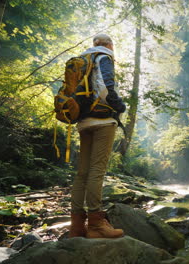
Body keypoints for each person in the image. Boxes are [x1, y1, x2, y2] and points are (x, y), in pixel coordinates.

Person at [69, 34, 126, 239]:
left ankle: (76, 227)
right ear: (109, 45)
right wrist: (120, 107)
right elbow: (105, 88)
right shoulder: (104, 57)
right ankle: (96, 224)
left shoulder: (83, 60)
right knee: (96, 172)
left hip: (83, 122)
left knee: (82, 173)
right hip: (102, 121)